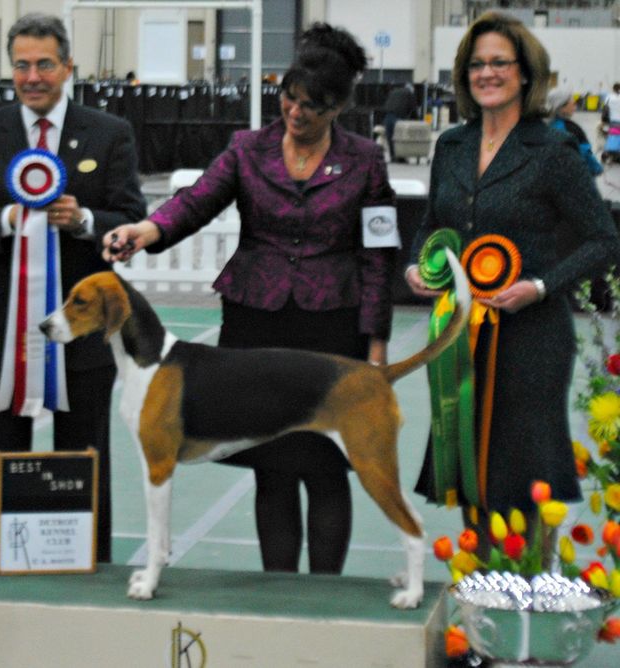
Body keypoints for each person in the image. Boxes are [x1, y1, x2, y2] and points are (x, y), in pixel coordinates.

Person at [103, 23, 397, 574]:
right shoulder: (247, 149)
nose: (296, 111)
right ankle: (277, 589)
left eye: (313, 105)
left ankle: (325, 590)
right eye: (289, 96)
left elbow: (380, 254)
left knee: (328, 466)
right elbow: (195, 202)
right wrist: (148, 231)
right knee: (274, 466)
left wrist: (375, 342)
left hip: (332, 326)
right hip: (255, 325)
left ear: (338, 107)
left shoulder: (364, 161)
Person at [404, 12, 619, 549]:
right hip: (459, 336)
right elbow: (434, 223)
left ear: (526, 73)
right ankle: (482, 601)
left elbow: (603, 240)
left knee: (526, 479)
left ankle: (525, 603)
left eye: (500, 62)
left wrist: (541, 287)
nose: (487, 73)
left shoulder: (553, 151)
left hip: (532, 339)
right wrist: (416, 265)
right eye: (477, 64)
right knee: (470, 468)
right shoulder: (451, 146)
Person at [0, 13, 146, 563]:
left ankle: (90, 578)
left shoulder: (110, 133)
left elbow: (131, 219)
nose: (32, 76)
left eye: (44, 65)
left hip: (85, 338)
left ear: (67, 67)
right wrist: (11, 218)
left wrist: (84, 220)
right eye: (22, 65)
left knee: (85, 460)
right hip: (1, 337)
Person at [547, 87, 603, 176]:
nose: (575, 105)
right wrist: (598, 169)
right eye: (572, 102)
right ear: (562, 107)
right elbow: (585, 154)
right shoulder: (571, 129)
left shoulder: (545, 125)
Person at [382, 83, 416, 162]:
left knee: (391, 138)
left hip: (387, 116)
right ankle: (401, 157)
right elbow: (413, 109)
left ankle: (393, 157)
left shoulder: (393, 91)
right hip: (398, 117)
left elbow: (386, 104)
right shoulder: (409, 93)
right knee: (401, 138)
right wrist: (418, 121)